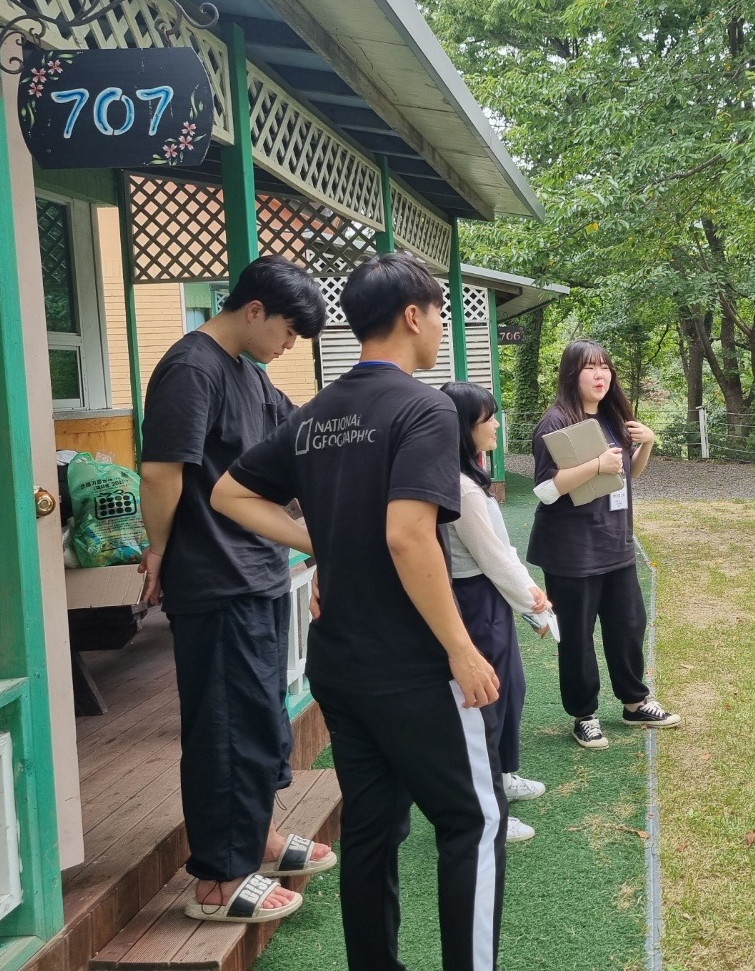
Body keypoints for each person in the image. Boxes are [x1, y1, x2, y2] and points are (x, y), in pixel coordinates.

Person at [212, 253, 504, 971]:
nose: (440, 328)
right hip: (414, 666)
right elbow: (409, 537)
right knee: (472, 821)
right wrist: (461, 648)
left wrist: (323, 540)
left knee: (372, 828)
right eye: (439, 315)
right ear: (413, 315)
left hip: (339, 664)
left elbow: (228, 493)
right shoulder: (426, 408)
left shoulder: (314, 416)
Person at [138, 255, 332, 923]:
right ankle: (219, 881)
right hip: (214, 578)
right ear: (254, 310)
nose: (289, 346)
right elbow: (162, 472)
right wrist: (158, 550)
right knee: (225, 729)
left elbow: (292, 450)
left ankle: (261, 840)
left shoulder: (251, 375)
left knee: (260, 720)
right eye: (288, 331)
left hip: (258, 571)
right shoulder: (192, 368)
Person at [527, 339, 680, 749]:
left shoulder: (614, 417)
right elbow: (545, 489)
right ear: (571, 374)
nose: (600, 375)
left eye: (605, 367)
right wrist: (595, 464)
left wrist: (646, 443)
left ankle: (635, 702)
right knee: (577, 636)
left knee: (629, 625)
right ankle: (584, 715)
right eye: (590, 368)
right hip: (572, 551)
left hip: (616, 542)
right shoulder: (556, 422)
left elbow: (627, 475)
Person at [440, 380, 552, 844]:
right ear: (465, 427)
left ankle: (502, 777)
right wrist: (533, 601)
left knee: (510, 690)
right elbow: (491, 557)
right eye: (488, 419)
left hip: (489, 598)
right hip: (474, 600)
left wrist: (527, 598)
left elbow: (500, 551)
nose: (497, 427)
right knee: (486, 702)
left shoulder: (471, 477)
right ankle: (487, 813)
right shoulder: (462, 488)